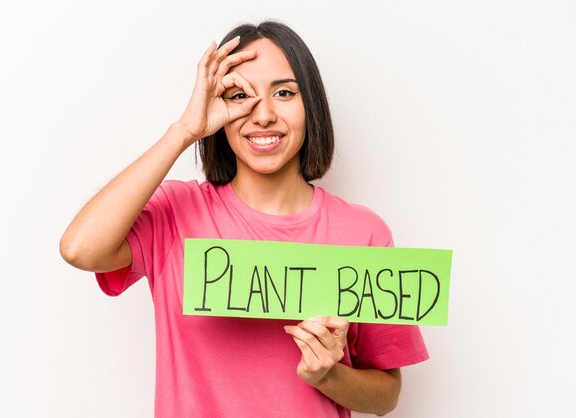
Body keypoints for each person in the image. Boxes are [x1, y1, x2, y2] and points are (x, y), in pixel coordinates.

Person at [60, 21, 428, 417]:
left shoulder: (364, 233)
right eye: (240, 95)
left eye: (284, 93)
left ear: (312, 106)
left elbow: (386, 395)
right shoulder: (176, 212)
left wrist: (328, 375)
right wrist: (185, 130)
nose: (264, 115)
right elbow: (80, 249)